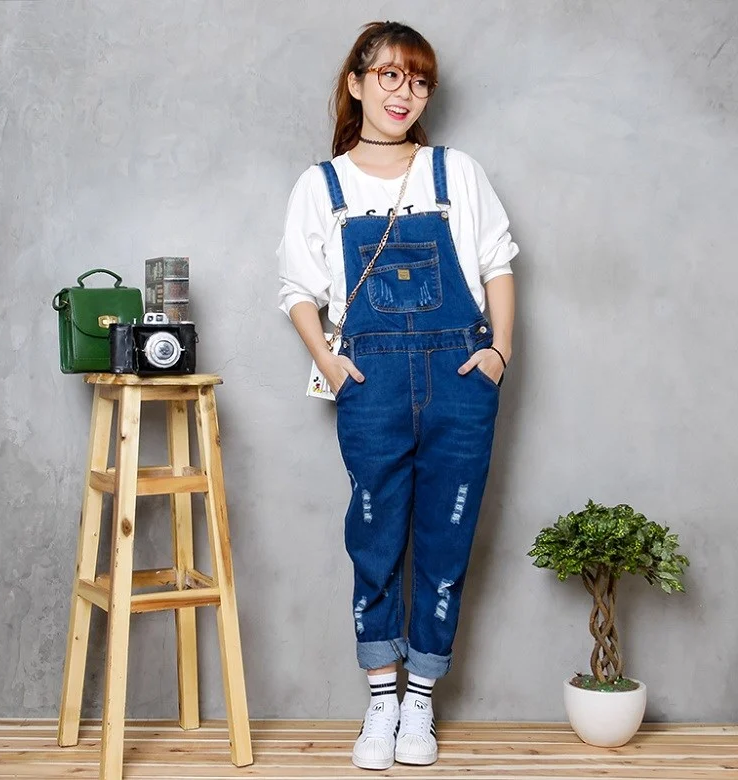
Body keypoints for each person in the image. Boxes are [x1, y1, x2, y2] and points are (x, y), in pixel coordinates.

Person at [277, 20, 518, 771]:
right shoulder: (321, 186)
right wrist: (329, 361)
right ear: (355, 84)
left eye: (417, 81)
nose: (404, 93)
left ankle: (421, 700)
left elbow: (498, 263)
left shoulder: (456, 172)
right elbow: (297, 289)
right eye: (389, 75)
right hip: (371, 382)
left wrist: (499, 352)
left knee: (447, 538)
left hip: (459, 379)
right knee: (375, 537)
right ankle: (381, 698)